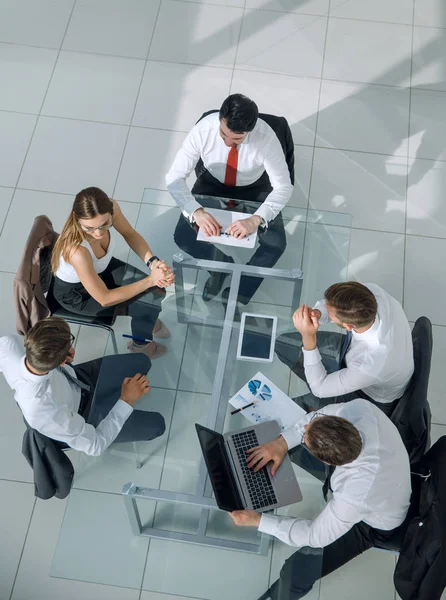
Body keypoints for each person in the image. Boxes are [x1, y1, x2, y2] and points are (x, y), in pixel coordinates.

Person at [229, 399, 412, 600]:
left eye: (308, 429)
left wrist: (258, 521)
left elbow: (314, 536)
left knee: (297, 571)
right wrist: (281, 442)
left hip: (377, 525)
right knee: (290, 447)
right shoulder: (360, 409)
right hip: (388, 478)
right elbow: (315, 418)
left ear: (326, 462)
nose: (305, 425)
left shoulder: (355, 495)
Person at [166, 93, 294, 305]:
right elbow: (174, 178)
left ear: (249, 130)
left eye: (236, 139)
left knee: (275, 246)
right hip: (213, 181)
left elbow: (283, 186)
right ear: (220, 119)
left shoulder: (267, 138)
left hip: (254, 186)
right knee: (183, 236)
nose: (227, 143)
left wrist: (255, 219)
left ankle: (239, 293)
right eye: (224, 134)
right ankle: (220, 268)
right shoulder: (203, 130)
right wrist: (196, 212)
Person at [0, 316, 165, 456]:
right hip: (83, 416)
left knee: (143, 361)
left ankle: (113, 399)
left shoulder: (8, 345)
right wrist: (125, 400)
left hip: (80, 378)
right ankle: (115, 406)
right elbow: (96, 446)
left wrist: (60, 359)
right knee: (158, 425)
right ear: (63, 360)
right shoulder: (48, 413)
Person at [51, 186, 174, 359]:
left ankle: (147, 320)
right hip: (79, 295)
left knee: (155, 294)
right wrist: (150, 280)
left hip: (101, 269)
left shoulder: (112, 206)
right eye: (89, 228)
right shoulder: (77, 251)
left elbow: (129, 233)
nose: (98, 233)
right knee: (147, 303)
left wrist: (153, 263)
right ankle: (140, 345)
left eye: (105, 224)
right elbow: (104, 298)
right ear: (76, 219)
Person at [275, 282, 414, 416]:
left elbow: (319, 388)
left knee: (291, 411)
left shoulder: (370, 363)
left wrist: (308, 336)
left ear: (348, 326)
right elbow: (335, 305)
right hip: (357, 355)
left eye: (330, 313)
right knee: (283, 344)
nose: (325, 306)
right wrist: (319, 312)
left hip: (369, 394)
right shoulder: (373, 293)